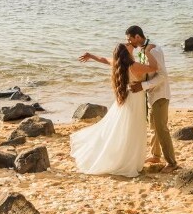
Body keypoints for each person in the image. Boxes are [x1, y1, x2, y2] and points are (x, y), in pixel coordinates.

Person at [71, 42, 158, 177]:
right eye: (127, 44)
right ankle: (129, 160)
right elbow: (154, 67)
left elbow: (104, 59)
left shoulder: (118, 64)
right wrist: (148, 52)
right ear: (125, 53)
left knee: (124, 128)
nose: (129, 43)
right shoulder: (133, 66)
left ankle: (125, 156)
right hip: (135, 100)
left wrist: (90, 55)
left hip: (126, 98)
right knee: (133, 129)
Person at [126, 25, 177, 173]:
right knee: (154, 127)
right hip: (150, 94)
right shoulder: (143, 50)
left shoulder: (154, 50)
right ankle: (155, 155)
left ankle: (172, 163)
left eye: (130, 39)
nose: (129, 42)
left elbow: (162, 75)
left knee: (162, 129)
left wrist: (143, 85)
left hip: (160, 94)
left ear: (137, 37)